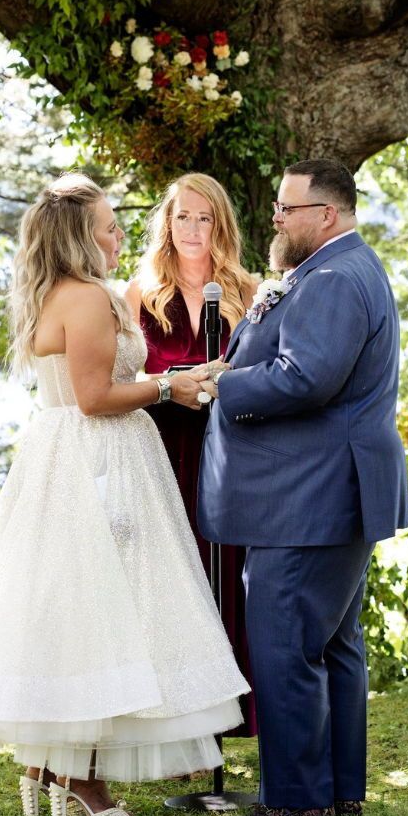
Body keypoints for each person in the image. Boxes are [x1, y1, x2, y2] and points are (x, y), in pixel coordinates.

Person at [0, 173, 249, 816]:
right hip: (99, 461)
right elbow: (96, 397)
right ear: (79, 238)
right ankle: (77, 774)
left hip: (62, 457)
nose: (119, 235)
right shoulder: (91, 298)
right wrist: (169, 387)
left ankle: (52, 763)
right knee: (102, 610)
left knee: (75, 611)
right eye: (107, 227)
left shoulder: (53, 294)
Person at [198, 159, 408, 816]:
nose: (277, 218)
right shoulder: (336, 269)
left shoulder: (334, 279)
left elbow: (303, 378)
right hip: (328, 489)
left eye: (289, 208)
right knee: (332, 645)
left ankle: (295, 801)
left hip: (307, 494)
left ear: (327, 214)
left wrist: (219, 384)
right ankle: (338, 789)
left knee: (287, 644)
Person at [125, 174, 257, 736]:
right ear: (167, 222)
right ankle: (175, 723)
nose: (193, 229)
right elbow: (123, 373)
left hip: (227, 449)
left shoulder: (247, 291)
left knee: (228, 572)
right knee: (172, 576)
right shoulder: (140, 291)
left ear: (220, 225)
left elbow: (262, 369)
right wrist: (169, 381)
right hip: (161, 448)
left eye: (205, 218)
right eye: (183, 217)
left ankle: (229, 719)